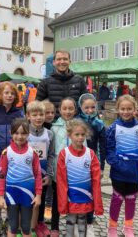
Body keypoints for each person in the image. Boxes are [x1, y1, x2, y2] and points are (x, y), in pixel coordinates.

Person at [0, 81, 24, 234]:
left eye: (12, 93)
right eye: (6, 93)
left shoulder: (19, 113)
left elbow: (23, 132)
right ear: (0, 95)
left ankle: (10, 216)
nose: (9, 95)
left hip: (14, 156)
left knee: (11, 186)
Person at [56, 119, 103, 237]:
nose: (80, 138)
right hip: (71, 195)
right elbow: (61, 179)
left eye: (82, 134)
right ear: (69, 135)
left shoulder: (90, 154)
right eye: (77, 134)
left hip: (85, 195)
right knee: (71, 219)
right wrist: (63, 199)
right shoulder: (64, 154)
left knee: (83, 219)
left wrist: (96, 199)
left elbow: (96, 179)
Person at [106, 95, 138, 237]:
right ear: (118, 110)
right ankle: (112, 227)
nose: (126, 112)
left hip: (135, 171)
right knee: (116, 199)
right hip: (119, 171)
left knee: (131, 200)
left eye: (129, 109)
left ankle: (128, 226)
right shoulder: (112, 128)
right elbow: (109, 149)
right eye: (123, 109)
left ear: (135, 110)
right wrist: (117, 164)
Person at [0, 118, 42, 237]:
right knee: (13, 225)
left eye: (23, 133)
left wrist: (38, 195)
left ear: (28, 134)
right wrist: (1, 196)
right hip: (11, 194)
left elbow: (38, 175)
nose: (20, 136)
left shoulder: (33, 153)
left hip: (28, 195)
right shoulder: (6, 153)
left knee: (26, 226)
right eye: (16, 133)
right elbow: (1, 175)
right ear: (11, 133)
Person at [77, 93, 106, 236]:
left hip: (93, 164)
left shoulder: (99, 124)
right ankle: (77, 223)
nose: (89, 110)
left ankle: (89, 223)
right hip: (77, 164)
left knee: (91, 194)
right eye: (86, 107)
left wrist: (101, 167)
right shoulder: (76, 122)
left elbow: (102, 147)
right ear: (80, 107)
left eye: (92, 107)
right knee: (77, 192)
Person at [50, 97, 78, 237]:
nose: (67, 111)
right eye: (64, 108)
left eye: (70, 108)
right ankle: (54, 226)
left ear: (75, 110)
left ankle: (70, 226)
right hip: (58, 171)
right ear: (59, 110)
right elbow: (51, 150)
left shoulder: (79, 127)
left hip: (74, 171)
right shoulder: (54, 128)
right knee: (56, 199)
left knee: (73, 199)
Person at [26, 101, 54, 237]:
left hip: (42, 175)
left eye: (41, 114)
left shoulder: (49, 134)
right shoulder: (24, 133)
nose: (38, 117)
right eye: (35, 114)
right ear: (28, 116)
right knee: (27, 200)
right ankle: (26, 225)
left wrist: (49, 174)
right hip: (27, 175)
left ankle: (39, 223)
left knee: (41, 199)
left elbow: (51, 155)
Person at [36, 50, 87, 115]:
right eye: (59, 59)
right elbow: (37, 106)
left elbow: (86, 103)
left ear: (69, 62)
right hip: (53, 123)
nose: (62, 62)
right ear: (54, 62)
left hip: (75, 122)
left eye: (65, 59)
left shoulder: (79, 80)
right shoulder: (45, 83)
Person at [41, 99, 56, 222]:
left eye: (52, 112)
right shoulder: (37, 128)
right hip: (39, 165)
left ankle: (48, 209)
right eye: (47, 112)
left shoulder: (54, 129)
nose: (50, 115)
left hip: (50, 164)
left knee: (50, 189)